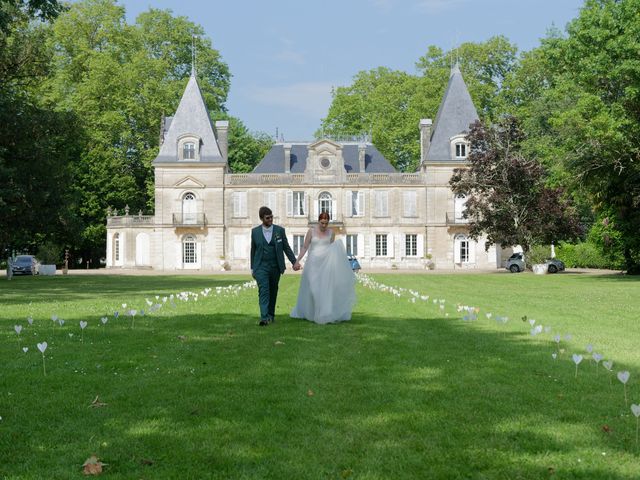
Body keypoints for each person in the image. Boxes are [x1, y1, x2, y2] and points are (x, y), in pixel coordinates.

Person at [290, 212, 356, 324]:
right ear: (318, 221)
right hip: (313, 264)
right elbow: (305, 247)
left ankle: (323, 313)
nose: (324, 225)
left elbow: (331, 250)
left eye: (326, 223)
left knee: (324, 289)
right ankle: (311, 312)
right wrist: (297, 261)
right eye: (322, 223)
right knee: (313, 288)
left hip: (326, 265)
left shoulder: (331, 233)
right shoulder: (311, 231)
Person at [250, 206, 299, 326]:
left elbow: (286, 248)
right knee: (264, 290)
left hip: (275, 266)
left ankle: (271, 315)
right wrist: (253, 268)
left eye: (271, 217)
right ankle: (264, 317)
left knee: (273, 290)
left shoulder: (279, 231)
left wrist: (294, 262)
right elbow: (253, 250)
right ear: (262, 218)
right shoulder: (255, 232)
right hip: (261, 266)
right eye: (267, 218)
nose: (270, 219)